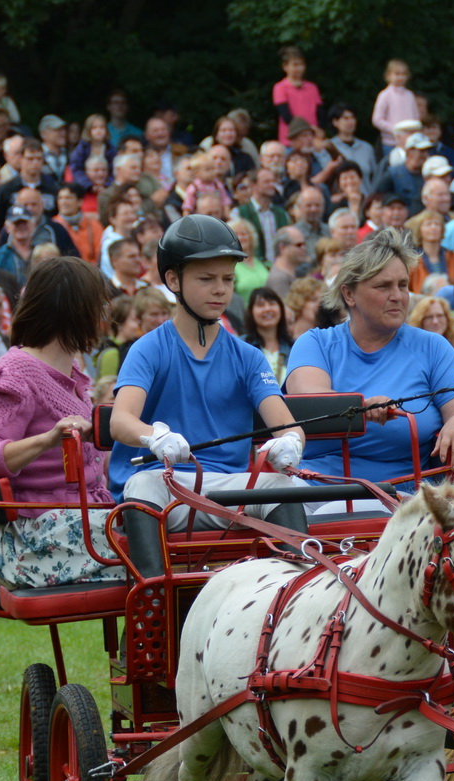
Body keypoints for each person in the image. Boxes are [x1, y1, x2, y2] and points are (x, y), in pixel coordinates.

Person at [107, 215, 308, 570]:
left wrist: (291, 443)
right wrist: (153, 436)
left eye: (228, 279)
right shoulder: (148, 348)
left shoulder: (248, 356)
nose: (220, 289)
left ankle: (296, 597)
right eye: (206, 279)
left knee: (282, 485)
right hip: (162, 484)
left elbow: (288, 426)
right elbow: (120, 420)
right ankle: (154, 603)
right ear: (173, 279)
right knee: (141, 486)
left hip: (226, 490)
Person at [0, 258, 125, 590]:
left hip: (80, 521)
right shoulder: (15, 374)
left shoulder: (73, 372)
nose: (104, 317)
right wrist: (49, 439)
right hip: (36, 537)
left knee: (168, 528)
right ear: (75, 311)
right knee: (162, 557)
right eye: (99, 306)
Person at [285, 227, 454, 493]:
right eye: (383, 286)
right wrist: (362, 407)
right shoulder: (315, 343)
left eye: (402, 285)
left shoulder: (433, 346)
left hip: (405, 501)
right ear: (349, 294)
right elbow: (312, 403)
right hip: (321, 491)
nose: (398, 296)